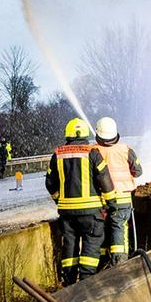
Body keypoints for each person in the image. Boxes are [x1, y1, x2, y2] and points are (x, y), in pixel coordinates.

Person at [46, 118, 117, 285]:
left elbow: (50, 182)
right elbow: (104, 178)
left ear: (68, 134)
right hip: (90, 212)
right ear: (85, 133)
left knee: (69, 244)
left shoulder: (58, 154)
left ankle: (69, 281)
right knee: (91, 243)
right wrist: (111, 202)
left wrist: (59, 200)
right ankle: (86, 281)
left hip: (67, 214)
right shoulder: (92, 152)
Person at [94, 117, 142, 266]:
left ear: (97, 134)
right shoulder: (126, 150)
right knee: (118, 228)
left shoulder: (93, 151)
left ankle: (101, 263)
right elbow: (138, 171)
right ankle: (120, 263)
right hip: (122, 199)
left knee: (100, 229)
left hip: (100, 200)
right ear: (116, 134)